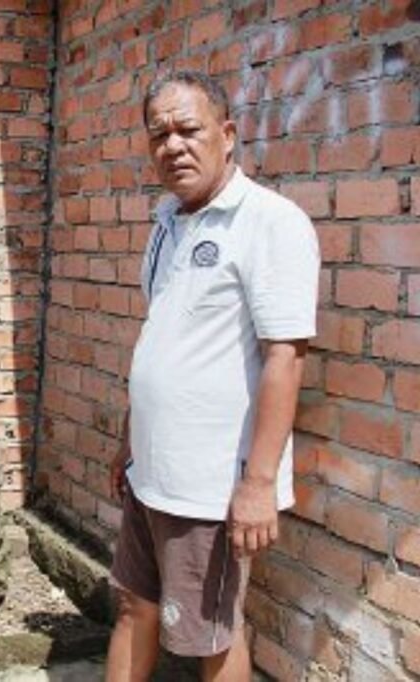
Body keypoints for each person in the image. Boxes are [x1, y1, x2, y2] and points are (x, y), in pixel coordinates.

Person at [105, 71, 319, 682]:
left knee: (213, 638)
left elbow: (287, 357)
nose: (173, 146)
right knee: (132, 604)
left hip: (210, 488)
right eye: (159, 135)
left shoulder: (269, 223)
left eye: (188, 130)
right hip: (153, 472)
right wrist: (130, 438)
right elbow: (165, 338)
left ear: (226, 135)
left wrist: (256, 485)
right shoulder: (168, 222)